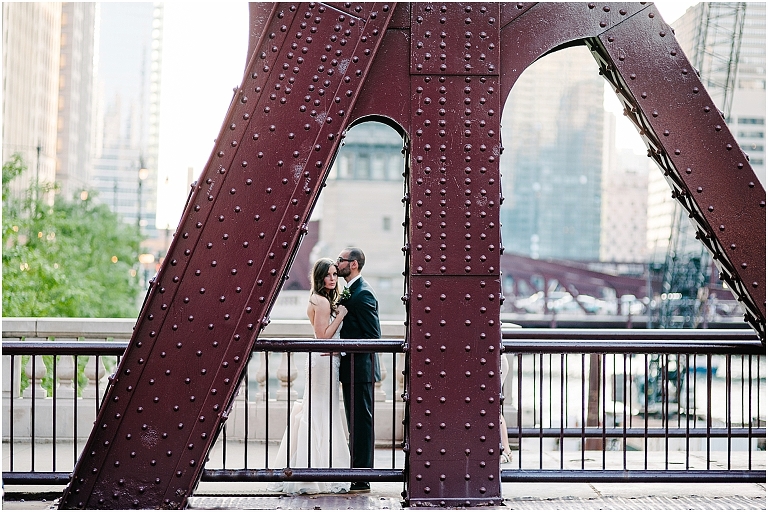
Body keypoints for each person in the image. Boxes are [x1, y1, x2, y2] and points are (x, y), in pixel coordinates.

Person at [268, 258, 351, 494]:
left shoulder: (316, 298)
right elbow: (323, 337)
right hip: (324, 361)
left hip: (323, 361)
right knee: (321, 412)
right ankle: (316, 471)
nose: (333, 278)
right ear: (320, 277)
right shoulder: (323, 302)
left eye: (336, 274)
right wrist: (341, 315)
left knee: (318, 411)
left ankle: (313, 467)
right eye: (329, 275)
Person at [335, 247, 381, 493]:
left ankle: (362, 477)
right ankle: (357, 472)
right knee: (356, 423)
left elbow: (374, 337)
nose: (337, 263)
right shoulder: (352, 291)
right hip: (353, 369)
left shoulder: (362, 294)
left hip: (360, 370)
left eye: (340, 260)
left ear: (353, 264)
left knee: (361, 425)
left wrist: (345, 350)